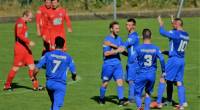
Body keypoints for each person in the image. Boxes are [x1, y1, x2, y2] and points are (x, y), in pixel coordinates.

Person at [151, 16, 189, 110]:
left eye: (173, 24)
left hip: (174, 60)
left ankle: (159, 102)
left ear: (177, 24)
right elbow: (177, 44)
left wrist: (161, 23)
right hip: (181, 60)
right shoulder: (186, 35)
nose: (172, 24)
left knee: (163, 78)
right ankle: (182, 104)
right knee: (179, 81)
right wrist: (167, 52)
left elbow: (162, 32)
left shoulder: (175, 33)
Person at [33, 37, 77, 110]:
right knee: (57, 106)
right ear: (63, 46)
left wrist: (34, 76)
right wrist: (74, 77)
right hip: (60, 85)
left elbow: (37, 68)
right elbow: (74, 72)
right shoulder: (68, 57)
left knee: (54, 103)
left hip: (49, 84)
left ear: (55, 44)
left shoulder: (47, 55)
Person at [130, 29, 165, 110]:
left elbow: (132, 59)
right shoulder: (156, 48)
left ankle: (139, 107)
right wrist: (163, 71)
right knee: (148, 93)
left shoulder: (138, 48)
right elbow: (162, 59)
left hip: (141, 74)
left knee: (137, 94)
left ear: (142, 37)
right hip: (152, 74)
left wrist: (137, 63)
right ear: (151, 36)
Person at [4, 10, 39, 90]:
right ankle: (7, 85)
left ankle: (36, 86)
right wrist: (29, 41)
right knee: (16, 68)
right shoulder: (20, 23)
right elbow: (19, 35)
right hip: (20, 49)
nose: (31, 20)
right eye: (30, 18)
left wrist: (27, 44)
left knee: (32, 67)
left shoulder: (24, 23)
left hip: (26, 49)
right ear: (25, 16)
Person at [99, 21, 126, 106]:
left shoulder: (119, 39)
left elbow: (122, 50)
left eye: (118, 28)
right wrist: (116, 50)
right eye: (116, 28)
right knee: (105, 83)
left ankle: (121, 100)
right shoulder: (106, 40)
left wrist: (129, 54)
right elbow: (105, 54)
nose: (118, 30)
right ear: (111, 29)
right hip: (108, 65)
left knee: (120, 82)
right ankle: (101, 98)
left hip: (117, 64)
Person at [124, 18, 139, 103]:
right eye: (126, 25)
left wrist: (114, 49)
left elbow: (124, 45)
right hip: (130, 61)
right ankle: (139, 92)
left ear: (134, 26)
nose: (127, 26)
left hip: (133, 61)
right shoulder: (130, 35)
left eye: (129, 25)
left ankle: (131, 98)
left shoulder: (133, 36)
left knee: (130, 80)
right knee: (127, 78)